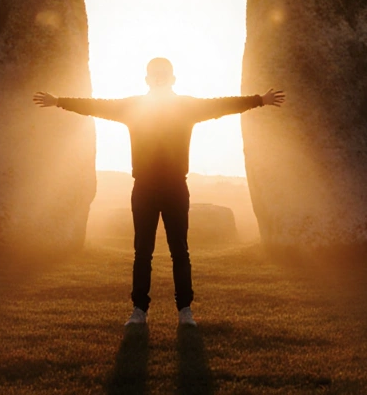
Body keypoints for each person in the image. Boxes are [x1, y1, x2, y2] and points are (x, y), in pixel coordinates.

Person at [33, 57, 285, 327]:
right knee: (143, 251)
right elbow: (95, 106)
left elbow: (222, 104)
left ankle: (184, 310)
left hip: (176, 186)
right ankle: (139, 310)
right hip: (144, 187)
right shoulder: (133, 107)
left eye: (164, 74)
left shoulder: (186, 106)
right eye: (155, 74)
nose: (160, 78)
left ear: (173, 79)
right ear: (147, 80)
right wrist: (58, 100)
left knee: (180, 251)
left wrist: (260, 99)